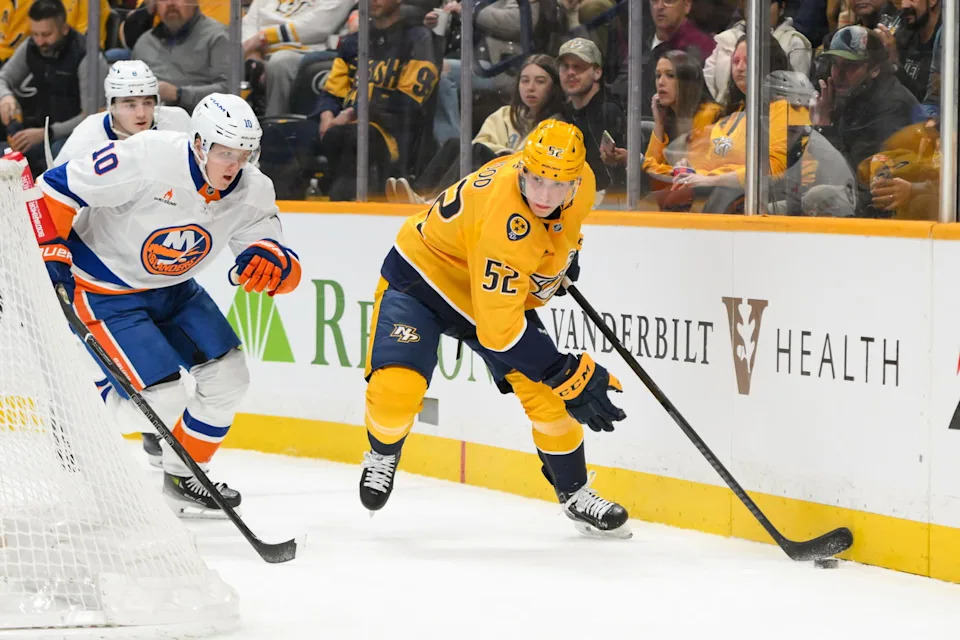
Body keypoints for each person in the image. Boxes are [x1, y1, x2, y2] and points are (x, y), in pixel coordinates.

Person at [359, 119, 630, 537]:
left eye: (557, 186)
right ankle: (383, 450)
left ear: (576, 182)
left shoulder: (583, 182)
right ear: (522, 167)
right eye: (536, 180)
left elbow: (561, 234)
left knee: (550, 399)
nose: (544, 195)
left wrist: (562, 261)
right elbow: (500, 334)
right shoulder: (505, 222)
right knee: (396, 391)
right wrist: (566, 371)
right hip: (423, 278)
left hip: (488, 287)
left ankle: (575, 494)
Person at [35, 93, 302, 517]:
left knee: (229, 378)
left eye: (244, 154)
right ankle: (78, 419)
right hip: (104, 287)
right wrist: (50, 248)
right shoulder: (146, 157)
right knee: (164, 401)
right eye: (224, 152)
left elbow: (268, 243)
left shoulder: (254, 188)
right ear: (199, 143)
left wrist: (275, 260)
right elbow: (55, 187)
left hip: (174, 288)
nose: (234, 166)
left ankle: (184, 475)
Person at [388, 53, 565, 203]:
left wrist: (502, 153)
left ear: (554, 87)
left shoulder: (557, 124)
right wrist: (503, 152)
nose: (530, 88)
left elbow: (527, 158)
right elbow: (481, 140)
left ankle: (437, 202)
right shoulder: (504, 114)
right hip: (493, 173)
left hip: (520, 183)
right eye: (525, 81)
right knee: (454, 144)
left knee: (477, 151)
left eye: (540, 82)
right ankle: (419, 194)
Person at [312, 0, 438, 200]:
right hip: (341, 125)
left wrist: (352, 112)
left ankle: (347, 210)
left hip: (391, 132)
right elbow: (332, 91)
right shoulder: (354, 41)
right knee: (287, 136)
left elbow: (408, 102)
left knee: (353, 138)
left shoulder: (418, 38)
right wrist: (326, 117)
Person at [811, 25, 919, 217]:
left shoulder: (892, 105)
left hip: (883, 206)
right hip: (857, 193)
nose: (838, 74)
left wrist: (825, 127)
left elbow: (855, 179)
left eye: (850, 66)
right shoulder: (851, 93)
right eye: (835, 63)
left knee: (816, 198)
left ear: (875, 70)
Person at [0, 0, 107, 174]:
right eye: (35, 34)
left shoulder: (87, 57)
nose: (40, 41)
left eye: (46, 34)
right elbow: (3, 77)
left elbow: (94, 116)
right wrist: (5, 97)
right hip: (37, 127)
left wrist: (46, 133)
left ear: (64, 29)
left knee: (59, 154)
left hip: (70, 136)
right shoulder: (31, 46)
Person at [54, 60, 192, 166]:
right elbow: (53, 185)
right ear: (111, 106)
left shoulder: (177, 122)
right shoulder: (87, 137)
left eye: (147, 103)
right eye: (130, 105)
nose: (141, 114)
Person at [642, 50, 720, 207]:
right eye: (658, 76)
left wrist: (646, 164)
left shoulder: (710, 115)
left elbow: (688, 174)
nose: (661, 82)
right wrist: (659, 124)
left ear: (687, 81)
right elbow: (651, 172)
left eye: (670, 75)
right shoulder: (668, 117)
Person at [131, 0, 231, 113]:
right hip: (146, 123)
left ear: (194, 2)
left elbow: (229, 90)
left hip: (201, 122)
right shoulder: (144, 42)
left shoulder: (219, 37)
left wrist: (179, 94)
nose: (170, 3)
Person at [704, 0, 811, 102]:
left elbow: (796, 94)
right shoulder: (726, 38)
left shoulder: (794, 42)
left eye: (766, 3)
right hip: (726, 113)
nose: (758, 10)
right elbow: (708, 85)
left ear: (781, 6)